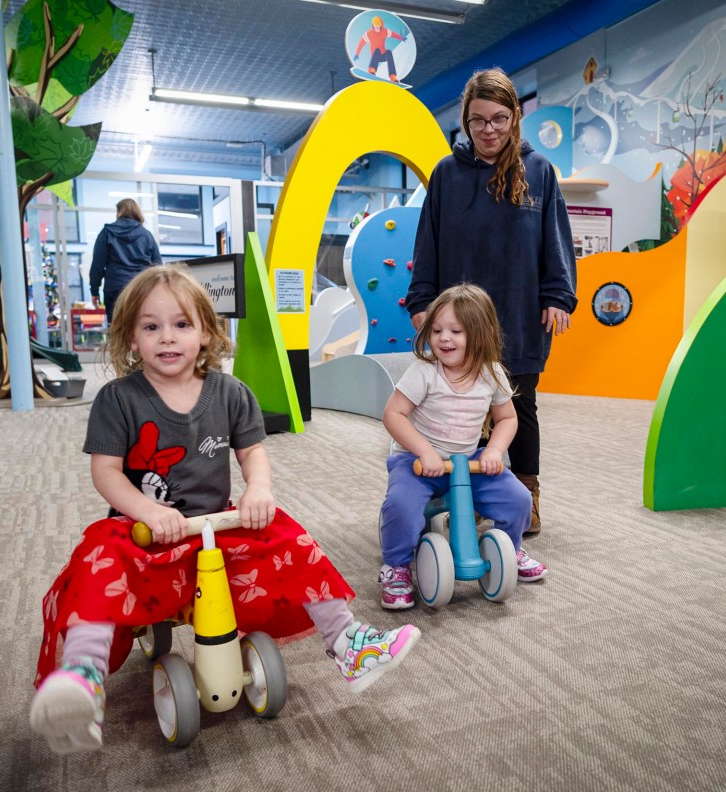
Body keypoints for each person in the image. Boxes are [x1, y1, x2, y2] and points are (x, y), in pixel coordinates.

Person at [30, 265, 421, 755]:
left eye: (182, 325)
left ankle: (348, 643)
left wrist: (258, 489)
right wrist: (145, 511)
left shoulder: (231, 393)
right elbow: (106, 472)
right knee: (96, 555)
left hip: (214, 530)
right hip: (144, 536)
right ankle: (81, 676)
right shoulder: (119, 399)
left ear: (207, 333)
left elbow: (253, 453)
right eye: (151, 327)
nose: (167, 338)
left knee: (284, 532)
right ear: (131, 336)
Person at [406, 68, 577, 536]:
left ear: (515, 117)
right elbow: (429, 242)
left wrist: (558, 295)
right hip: (457, 321)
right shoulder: (447, 174)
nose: (489, 130)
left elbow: (555, 242)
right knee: (451, 406)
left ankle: (526, 493)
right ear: (465, 119)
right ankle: (453, 496)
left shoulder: (539, 171)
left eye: (499, 118)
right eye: (478, 119)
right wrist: (422, 300)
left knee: (518, 407)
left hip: (520, 315)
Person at [377, 284, 547, 609]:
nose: (444, 338)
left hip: (468, 462)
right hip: (416, 462)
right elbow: (393, 414)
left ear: (481, 335)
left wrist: (495, 451)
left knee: (518, 499)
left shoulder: (491, 373)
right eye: (438, 330)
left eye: (456, 331)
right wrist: (424, 451)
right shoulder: (425, 371)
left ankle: (510, 549)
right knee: (401, 506)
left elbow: (507, 419)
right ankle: (395, 567)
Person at [89, 198, 162, 322]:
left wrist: (94, 291)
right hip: (140, 288)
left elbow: (98, 265)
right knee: (141, 327)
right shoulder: (146, 235)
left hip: (115, 288)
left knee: (116, 329)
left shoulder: (107, 233)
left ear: (119, 212)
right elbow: (158, 266)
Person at [353, 15, 405, 82]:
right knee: (377, 50)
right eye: (375, 25)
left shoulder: (385, 31)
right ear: (373, 25)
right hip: (375, 56)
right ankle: (372, 70)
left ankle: (393, 77)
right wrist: (357, 53)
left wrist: (401, 38)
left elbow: (393, 34)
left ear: (381, 25)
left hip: (383, 55)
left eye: (378, 25)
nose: (377, 27)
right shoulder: (369, 33)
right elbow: (361, 43)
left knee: (389, 52)